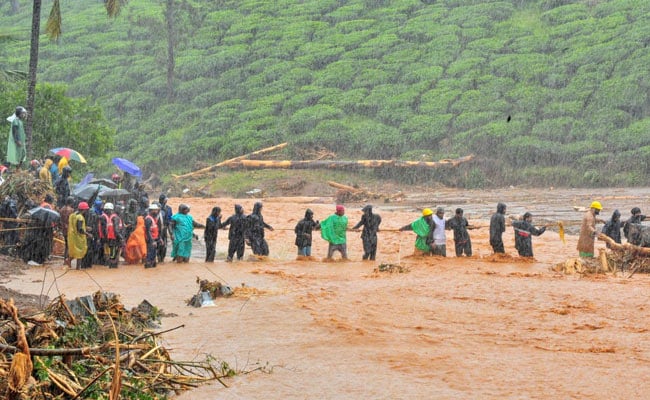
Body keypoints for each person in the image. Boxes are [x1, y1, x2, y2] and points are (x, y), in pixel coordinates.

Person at [99, 202, 123, 268]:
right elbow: (115, 230)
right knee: (111, 252)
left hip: (111, 237)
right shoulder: (114, 218)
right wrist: (121, 238)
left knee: (112, 252)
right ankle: (111, 264)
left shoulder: (111, 217)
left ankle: (111, 263)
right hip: (112, 238)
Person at [68, 201, 91, 270]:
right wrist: (88, 234)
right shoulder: (80, 217)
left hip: (72, 236)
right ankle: (78, 268)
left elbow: (75, 225)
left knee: (75, 251)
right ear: (84, 210)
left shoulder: (73, 215)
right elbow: (80, 229)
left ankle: (69, 261)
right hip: (79, 237)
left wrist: (85, 227)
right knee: (80, 252)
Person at [58, 196, 75, 267]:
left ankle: (65, 259)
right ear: (71, 202)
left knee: (67, 245)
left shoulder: (62, 209)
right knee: (70, 246)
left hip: (64, 229)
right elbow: (71, 221)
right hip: (69, 229)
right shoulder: (71, 210)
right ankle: (68, 260)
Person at [144, 204, 162, 268]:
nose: (157, 212)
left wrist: (159, 238)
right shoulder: (148, 219)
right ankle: (148, 265)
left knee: (153, 254)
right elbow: (148, 231)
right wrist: (152, 241)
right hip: (150, 240)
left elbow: (156, 229)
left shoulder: (153, 218)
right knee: (150, 254)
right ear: (152, 211)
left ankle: (151, 266)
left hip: (154, 239)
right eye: (156, 210)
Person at [157, 194, 174, 263]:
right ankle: (158, 257)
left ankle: (162, 258)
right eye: (165, 200)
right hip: (157, 229)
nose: (166, 201)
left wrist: (171, 233)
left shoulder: (169, 208)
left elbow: (170, 220)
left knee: (164, 244)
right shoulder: (156, 208)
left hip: (165, 228)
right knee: (158, 243)